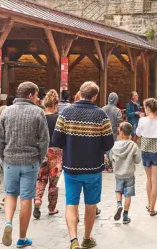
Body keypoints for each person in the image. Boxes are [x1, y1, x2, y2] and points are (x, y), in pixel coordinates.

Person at [52, 81, 115, 249]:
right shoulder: (101, 115)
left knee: (71, 203)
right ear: (95, 96)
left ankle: (73, 240)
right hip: (93, 168)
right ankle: (87, 237)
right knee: (90, 204)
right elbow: (109, 144)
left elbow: (56, 141)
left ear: (79, 93)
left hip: (71, 166)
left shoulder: (66, 112)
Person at [0, 82, 49, 248]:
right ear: (31, 95)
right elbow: (44, 140)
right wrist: (40, 158)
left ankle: (8, 223)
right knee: (27, 197)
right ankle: (22, 237)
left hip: (10, 160)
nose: (39, 98)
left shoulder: (6, 112)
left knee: (10, 193)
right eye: (37, 95)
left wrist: (4, 156)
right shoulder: (39, 113)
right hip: (30, 161)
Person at [135, 98, 157, 216]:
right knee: (155, 180)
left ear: (148, 108)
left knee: (148, 179)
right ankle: (152, 208)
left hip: (145, 150)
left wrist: (141, 121)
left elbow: (138, 134)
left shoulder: (142, 120)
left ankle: (149, 203)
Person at [34, 90, 63, 219]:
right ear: (56, 104)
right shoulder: (59, 118)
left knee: (41, 178)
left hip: (42, 151)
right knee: (53, 182)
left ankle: (38, 200)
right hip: (56, 152)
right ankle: (52, 208)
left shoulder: (40, 118)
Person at [110, 122, 141, 225]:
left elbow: (111, 158)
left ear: (121, 133)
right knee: (128, 195)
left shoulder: (114, 145)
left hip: (118, 174)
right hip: (129, 174)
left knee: (118, 190)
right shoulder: (133, 145)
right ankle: (125, 216)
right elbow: (137, 160)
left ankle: (119, 204)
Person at [102, 92, 123, 173]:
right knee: (110, 148)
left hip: (103, 130)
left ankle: (103, 165)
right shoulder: (117, 110)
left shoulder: (103, 108)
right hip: (112, 131)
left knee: (103, 147)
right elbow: (119, 121)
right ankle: (109, 166)